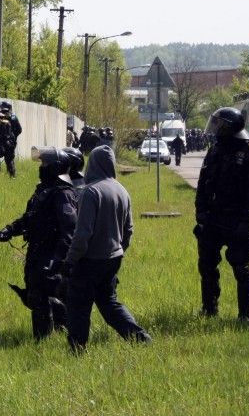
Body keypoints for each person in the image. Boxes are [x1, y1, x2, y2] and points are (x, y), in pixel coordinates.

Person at [61, 145, 151, 351]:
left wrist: (70, 261)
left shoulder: (91, 192)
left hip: (90, 260)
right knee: (109, 302)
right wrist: (118, 251)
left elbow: (82, 234)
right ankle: (139, 337)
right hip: (113, 257)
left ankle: (77, 348)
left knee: (78, 305)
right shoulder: (121, 190)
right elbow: (129, 230)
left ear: (93, 163)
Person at [0, 147, 78, 340]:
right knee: (35, 296)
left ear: (55, 168)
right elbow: (29, 218)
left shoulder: (63, 194)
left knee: (48, 297)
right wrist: (8, 230)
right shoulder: (43, 191)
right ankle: (42, 339)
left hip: (50, 253)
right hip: (37, 251)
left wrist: (58, 259)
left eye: (44, 164)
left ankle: (58, 336)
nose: (41, 168)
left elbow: (69, 230)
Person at [194, 107, 249, 321]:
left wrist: (247, 220)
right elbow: (203, 183)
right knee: (206, 265)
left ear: (229, 127)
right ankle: (209, 309)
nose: (215, 129)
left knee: (241, 268)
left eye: (219, 125)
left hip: (237, 220)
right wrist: (200, 211)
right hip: (213, 218)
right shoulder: (215, 150)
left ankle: (245, 314)